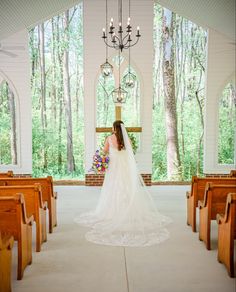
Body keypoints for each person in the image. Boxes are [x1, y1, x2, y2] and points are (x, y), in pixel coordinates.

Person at [75, 120, 171, 247]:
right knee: (126, 188)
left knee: (112, 189)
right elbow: (131, 154)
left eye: (112, 127)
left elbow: (104, 152)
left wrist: (99, 159)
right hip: (125, 169)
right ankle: (128, 211)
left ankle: (111, 213)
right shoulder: (127, 140)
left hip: (114, 169)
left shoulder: (109, 138)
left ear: (115, 128)